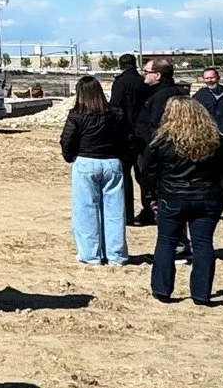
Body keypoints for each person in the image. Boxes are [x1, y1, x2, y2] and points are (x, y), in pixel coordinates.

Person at [139, 95, 223, 307]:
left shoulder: (161, 141)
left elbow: (148, 173)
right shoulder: (214, 139)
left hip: (173, 196)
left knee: (166, 242)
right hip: (207, 197)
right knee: (203, 244)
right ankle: (201, 293)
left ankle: (162, 289)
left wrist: (150, 198)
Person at [59, 75, 130, 266]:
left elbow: (67, 139)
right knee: (115, 211)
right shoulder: (115, 113)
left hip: (86, 161)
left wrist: (69, 156)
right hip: (111, 162)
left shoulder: (77, 114)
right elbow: (124, 138)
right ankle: (116, 255)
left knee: (85, 211)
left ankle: (90, 255)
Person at [132, 59, 187, 224]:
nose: (144, 74)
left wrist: (150, 148)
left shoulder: (164, 95)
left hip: (157, 152)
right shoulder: (157, 93)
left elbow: (157, 127)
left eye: (147, 71)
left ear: (157, 75)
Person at [108, 54, 147, 225]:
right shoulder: (144, 82)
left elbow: (115, 107)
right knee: (145, 175)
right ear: (135, 64)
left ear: (120, 65)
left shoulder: (120, 82)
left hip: (125, 134)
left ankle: (127, 215)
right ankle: (150, 211)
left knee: (124, 176)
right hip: (144, 133)